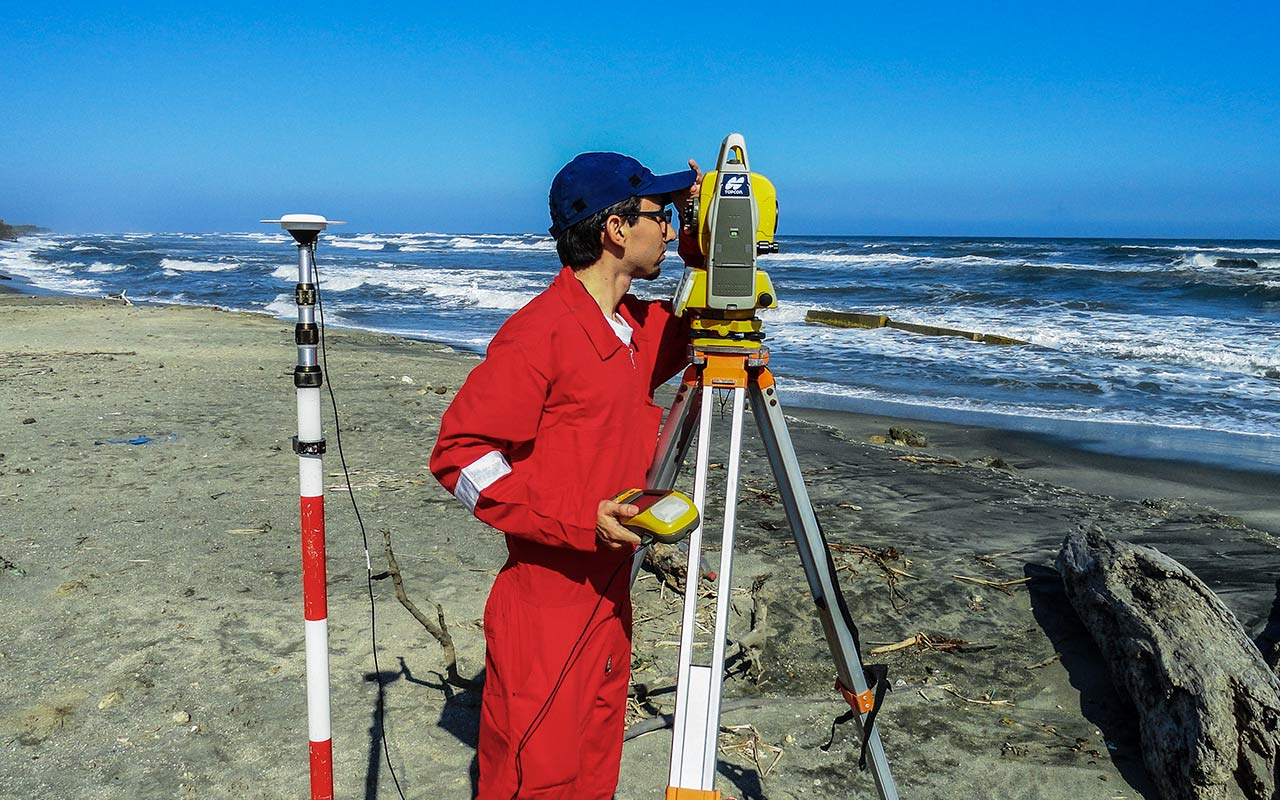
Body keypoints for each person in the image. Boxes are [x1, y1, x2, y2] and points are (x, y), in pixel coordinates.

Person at [429, 151, 703, 799]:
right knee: (540, 781)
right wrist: (580, 517)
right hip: (546, 605)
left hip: (611, 598)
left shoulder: (634, 329)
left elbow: (707, 321)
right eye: (658, 217)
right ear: (615, 229)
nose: (666, 231)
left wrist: (701, 224)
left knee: (591, 772)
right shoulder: (540, 334)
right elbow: (460, 456)